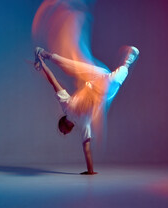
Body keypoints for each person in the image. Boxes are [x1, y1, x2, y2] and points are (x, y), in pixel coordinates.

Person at [34, 45, 139, 175]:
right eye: (63, 133)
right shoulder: (84, 123)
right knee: (116, 80)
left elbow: (53, 82)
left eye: (62, 131)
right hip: (102, 89)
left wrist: (43, 65)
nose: (65, 133)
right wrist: (90, 171)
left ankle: (43, 54)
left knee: (70, 65)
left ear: (63, 123)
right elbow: (86, 149)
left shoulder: (66, 106)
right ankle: (127, 62)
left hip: (94, 78)